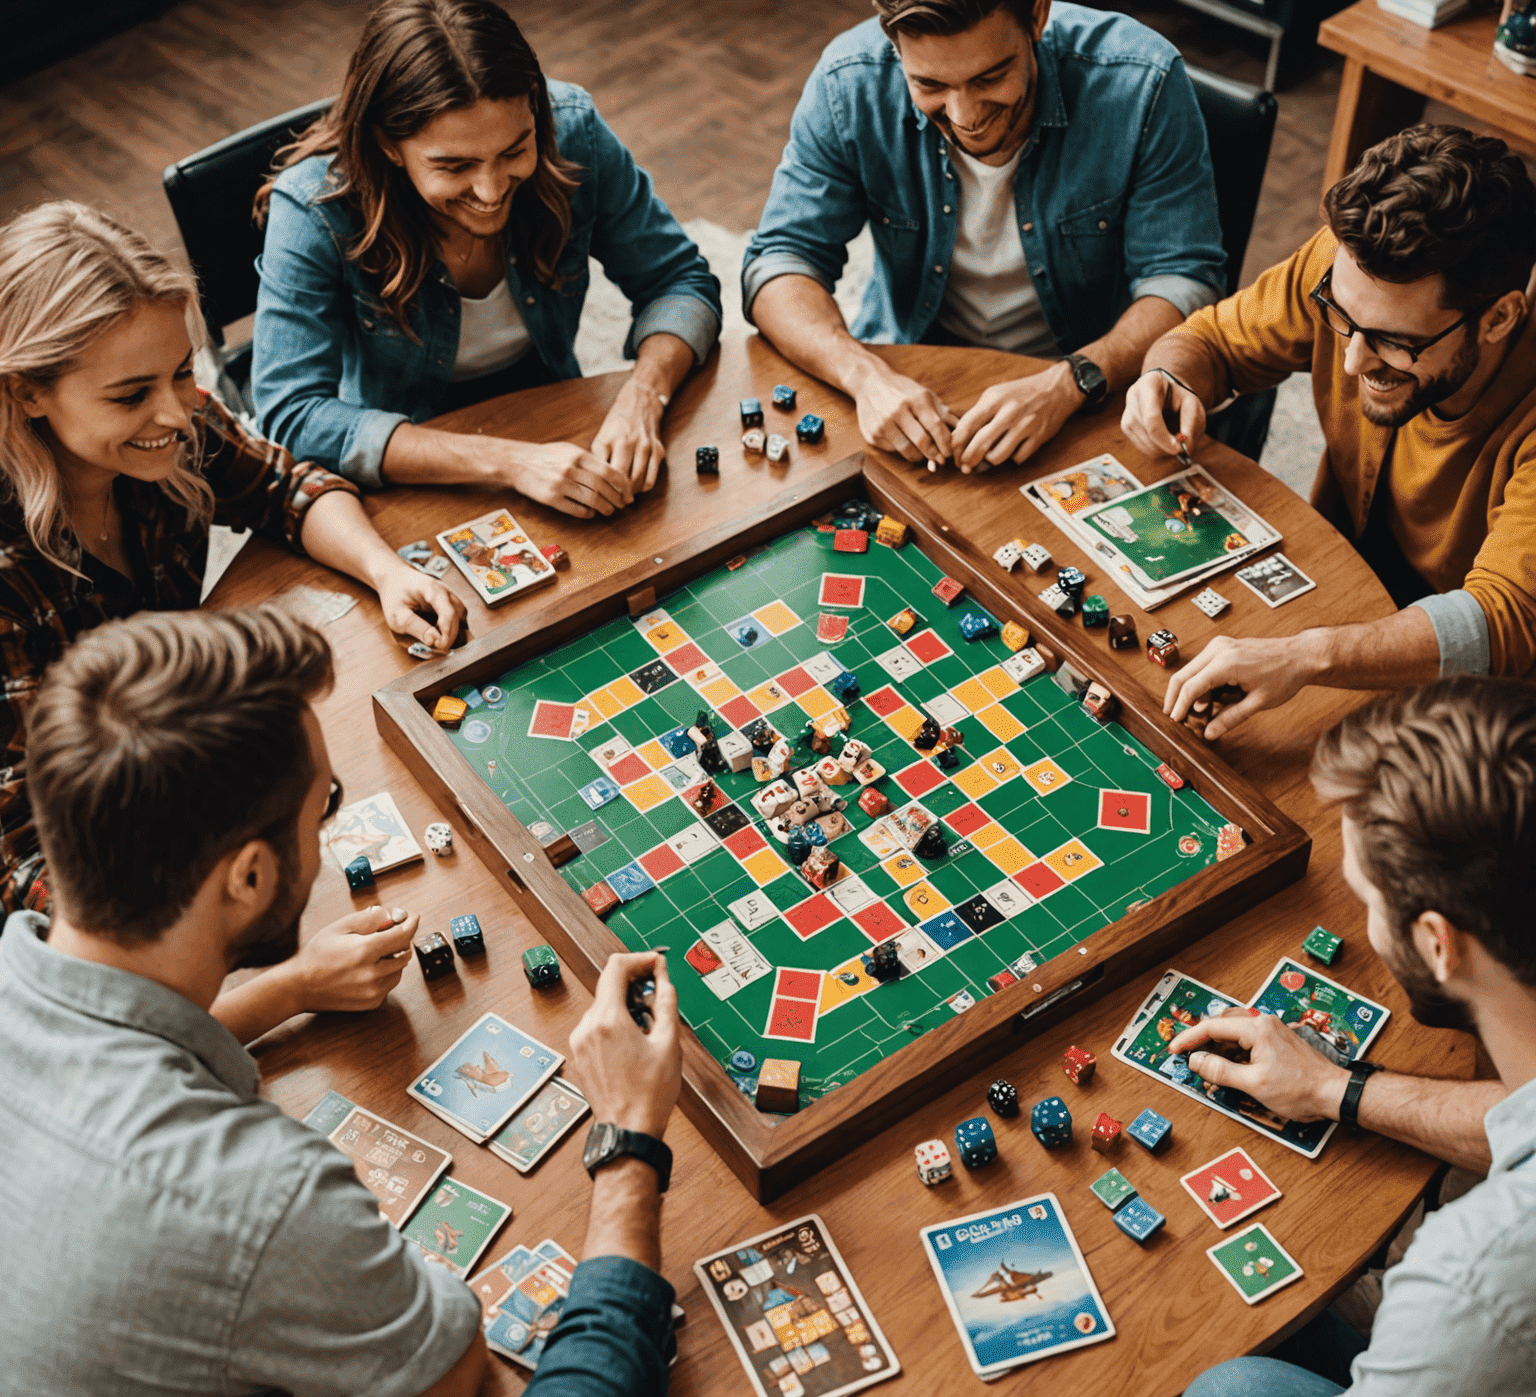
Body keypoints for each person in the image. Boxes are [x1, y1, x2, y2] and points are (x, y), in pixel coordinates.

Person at [0, 603, 683, 1397]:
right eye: (323, 807)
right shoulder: (250, 1192)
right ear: (246, 877)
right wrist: (630, 1137)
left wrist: (284, 988)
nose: (330, 831)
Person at [0, 198, 465, 1039]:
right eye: (133, 393)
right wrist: (290, 988)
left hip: (193, 793)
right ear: (29, 394)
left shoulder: (168, 424)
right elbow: (53, 915)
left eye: (183, 371)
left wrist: (388, 571)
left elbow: (287, 487)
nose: (178, 414)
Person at [1155, 676, 1536, 1397]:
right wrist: (1337, 1088)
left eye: (1367, 900)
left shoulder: (1473, 1271)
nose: (1365, 917)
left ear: (1437, 944)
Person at [1122, 124, 1536, 741]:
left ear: (1499, 317)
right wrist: (1168, 377)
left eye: (1396, 343)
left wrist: (1307, 656)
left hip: (1486, 701)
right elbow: (1210, 341)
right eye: (1341, 318)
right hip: (1348, 580)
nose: (1351, 362)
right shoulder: (1352, 275)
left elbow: (1501, 622)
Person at [252, 0, 721, 519]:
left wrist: (643, 396)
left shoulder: (573, 132)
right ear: (388, 144)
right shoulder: (313, 209)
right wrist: (509, 462)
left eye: (515, 151)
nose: (492, 191)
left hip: (550, 403)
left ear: (535, 112)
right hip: (402, 456)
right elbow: (293, 412)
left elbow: (679, 280)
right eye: (455, 166)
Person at [744, 0, 1226, 473]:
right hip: (912, 369)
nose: (965, 116)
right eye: (930, 84)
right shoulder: (847, 81)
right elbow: (780, 262)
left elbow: (1182, 281)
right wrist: (864, 375)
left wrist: (1068, 382)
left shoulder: (1143, 81)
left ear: (1037, 15)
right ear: (893, 42)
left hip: (1091, 385)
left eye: (989, 78)